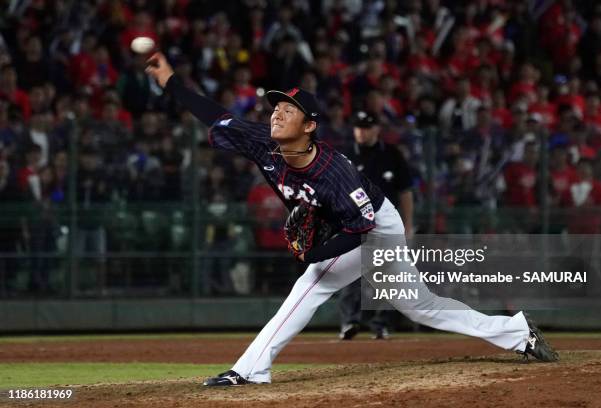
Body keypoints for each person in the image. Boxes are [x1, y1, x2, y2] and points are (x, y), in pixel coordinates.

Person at [145, 52, 558, 387]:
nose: (276, 115)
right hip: (350, 227)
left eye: (288, 110)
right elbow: (213, 115)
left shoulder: (333, 173)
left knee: (312, 283)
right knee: (421, 307)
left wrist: (316, 254)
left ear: (309, 126)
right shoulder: (262, 143)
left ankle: (251, 370)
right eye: (275, 108)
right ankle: (519, 332)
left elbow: (360, 231)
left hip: (378, 227)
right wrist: (172, 83)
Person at [338, 111, 416, 340]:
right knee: (350, 275)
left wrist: (408, 224)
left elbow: (405, 192)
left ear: (376, 129)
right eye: (358, 127)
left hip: (386, 225)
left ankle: (381, 323)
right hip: (354, 224)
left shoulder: (391, 154)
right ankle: (349, 322)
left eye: (366, 127)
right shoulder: (346, 155)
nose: (361, 131)